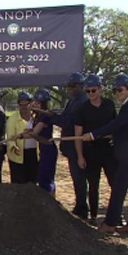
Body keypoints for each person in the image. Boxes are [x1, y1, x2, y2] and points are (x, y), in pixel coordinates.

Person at [82, 74, 128, 235]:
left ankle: (110, 223)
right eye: (114, 90)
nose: (117, 93)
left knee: (119, 187)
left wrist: (93, 134)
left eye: (120, 90)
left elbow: (116, 124)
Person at [74, 74, 117, 225]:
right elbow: (78, 135)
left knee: (115, 183)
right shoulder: (82, 109)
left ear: (100, 89)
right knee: (93, 185)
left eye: (93, 90)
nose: (91, 94)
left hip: (108, 150)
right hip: (90, 152)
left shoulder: (109, 105)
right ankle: (93, 215)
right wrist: (80, 156)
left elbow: (115, 127)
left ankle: (116, 215)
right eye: (88, 91)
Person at [50, 72, 89, 219]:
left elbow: (68, 122)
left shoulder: (81, 102)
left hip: (77, 147)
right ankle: (80, 205)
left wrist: (52, 117)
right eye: (69, 86)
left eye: (73, 86)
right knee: (76, 178)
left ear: (81, 86)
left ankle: (82, 208)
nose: (70, 89)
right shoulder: (72, 101)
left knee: (80, 178)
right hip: (70, 146)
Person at [27, 88, 58, 197]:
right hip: (43, 149)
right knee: (44, 176)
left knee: (45, 178)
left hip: (48, 149)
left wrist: (23, 135)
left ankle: (51, 201)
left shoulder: (45, 116)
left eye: (37, 102)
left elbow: (35, 132)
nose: (34, 104)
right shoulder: (39, 116)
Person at [5, 91, 38, 184]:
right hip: (18, 155)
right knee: (18, 182)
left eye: (26, 103)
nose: (23, 106)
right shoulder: (12, 119)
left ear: (31, 103)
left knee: (32, 181)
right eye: (21, 104)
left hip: (34, 153)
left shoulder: (36, 118)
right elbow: (10, 136)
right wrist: (13, 146)